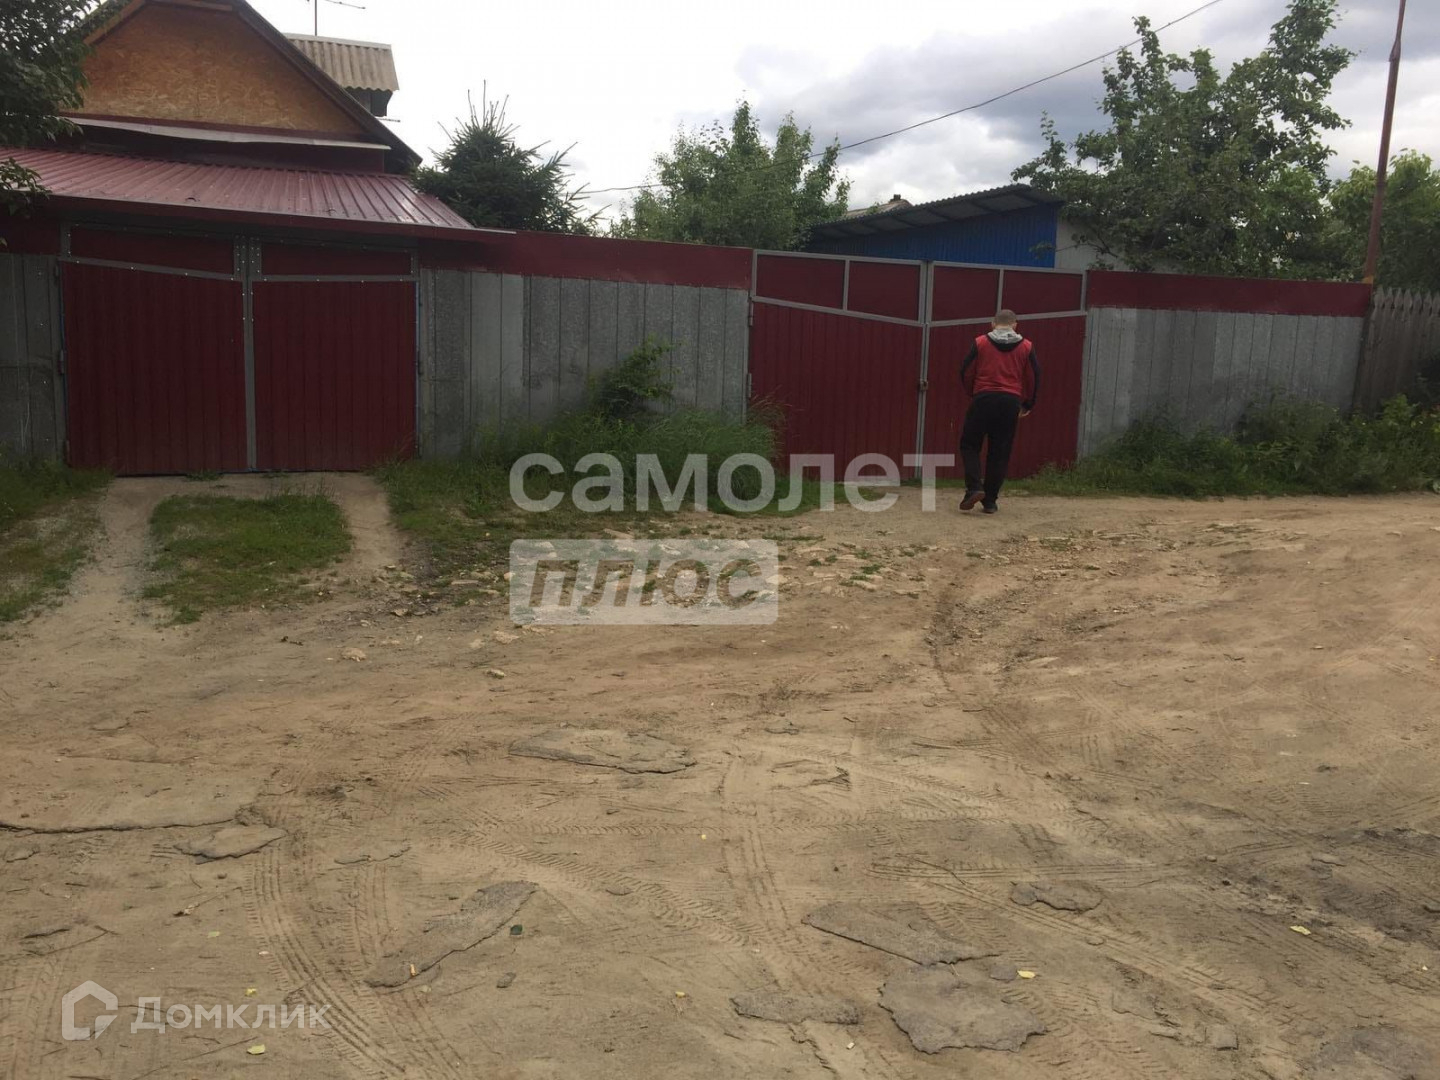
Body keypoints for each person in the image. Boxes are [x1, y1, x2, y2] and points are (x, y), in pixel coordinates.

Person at [958, 310, 1039, 514]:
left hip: (983, 397)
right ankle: (990, 501)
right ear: (1015, 325)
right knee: (1000, 452)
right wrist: (1028, 404)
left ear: (992, 324)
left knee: (970, 444)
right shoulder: (1026, 346)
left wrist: (973, 393)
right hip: (1010, 401)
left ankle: (974, 488)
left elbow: (966, 371)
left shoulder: (980, 343)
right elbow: (1033, 376)